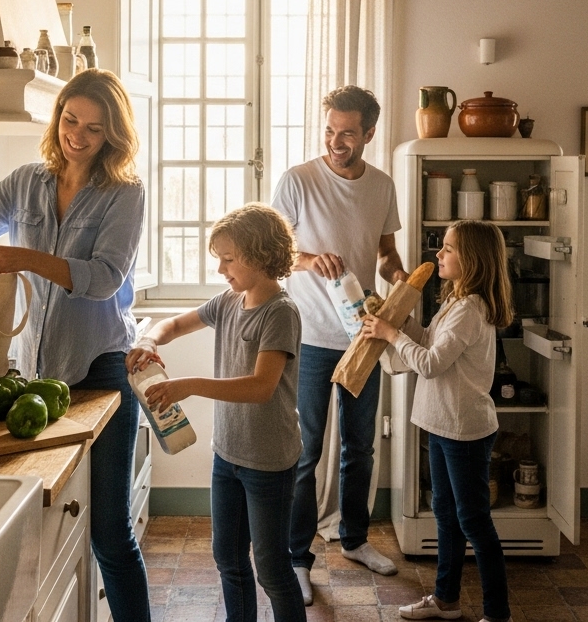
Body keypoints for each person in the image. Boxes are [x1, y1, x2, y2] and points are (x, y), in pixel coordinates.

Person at [0, 69, 150, 620]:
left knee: (110, 533)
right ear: (58, 114)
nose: (78, 135)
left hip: (102, 372)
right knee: (36, 518)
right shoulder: (25, 181)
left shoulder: (124, 193)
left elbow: (105, 277)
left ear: (112, 134)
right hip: (34, 376)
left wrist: (22, 258)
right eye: (71, 120)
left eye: (94, 128)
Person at [128, 203, 306, 622]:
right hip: (227, 455)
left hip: (269, 462)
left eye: (229, 259)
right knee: (227, 557)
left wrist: (187, 386)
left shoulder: (280, 313)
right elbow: (171, 324)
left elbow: (261, 387)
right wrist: (151, 341)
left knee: (273, 569)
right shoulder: (229, 301)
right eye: (219, 259)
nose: (222, 269)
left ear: (261, 255)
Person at [272, 85, 408, 602]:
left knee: (360, 446)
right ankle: (296, 559)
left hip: (364, 335)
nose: (335, 141)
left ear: (369, 133)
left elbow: (385, 254)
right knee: (304, 451)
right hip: (307, 336)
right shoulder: (298, 181)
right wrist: (310, 260)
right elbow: (274, 254)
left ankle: (354, 539)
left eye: (347, 133)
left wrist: (404, 281)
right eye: (329, 130)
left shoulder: (382, 187)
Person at [361, 220, 514, 622]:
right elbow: (428, 340)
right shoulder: (454, 300)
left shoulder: (470, 309)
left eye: (448, 249)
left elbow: (428, 364)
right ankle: (446, 601)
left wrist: (392, 335)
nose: (438, 254)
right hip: (443, 424)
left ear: (473, 259)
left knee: (475, 524)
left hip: (464, 430)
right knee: (446, 516)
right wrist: (396, 319)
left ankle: (499, 614)